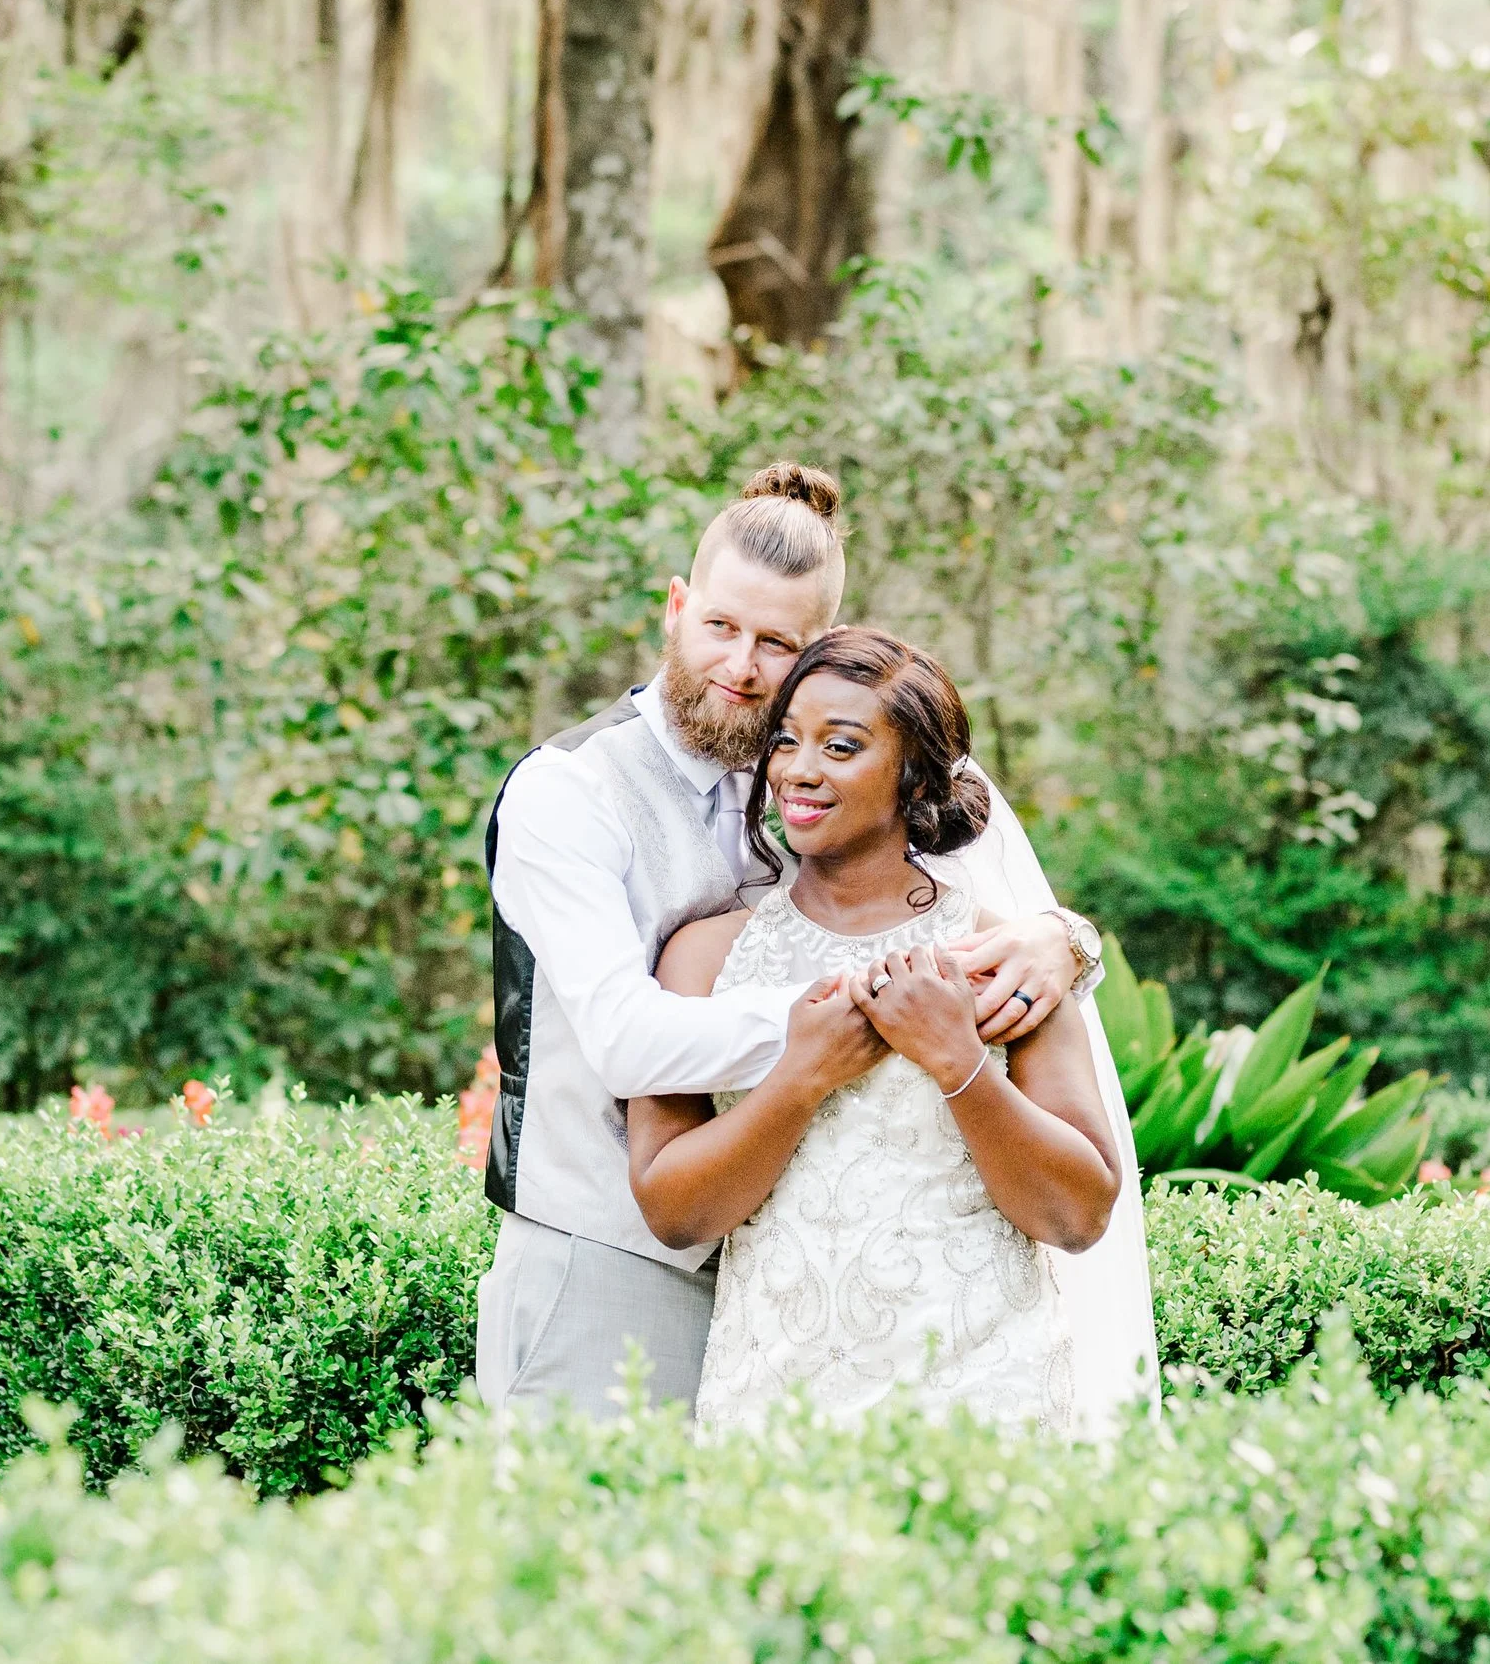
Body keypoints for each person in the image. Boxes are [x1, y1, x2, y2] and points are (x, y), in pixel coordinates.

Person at [474, 460, 1157, 1430]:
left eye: (774, 642)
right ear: (675, 606)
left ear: (819, 644)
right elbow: (628, 1040)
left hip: (811, 1292)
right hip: (608, 1249)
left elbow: (979, 869)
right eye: (718, 626)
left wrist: (1059, 941)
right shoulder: (570, 790)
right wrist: (872, 1011)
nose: (740, 666)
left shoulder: (823, 747)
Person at [629, 628, 1116, 1430]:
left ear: (913, 774)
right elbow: (674, 1212)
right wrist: (798, 1078)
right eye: (786, 740)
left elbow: (1079, 1214)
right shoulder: (704, 956)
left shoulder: (1005, 960)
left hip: (979, 1404)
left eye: (842, 745)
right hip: (773, 1409)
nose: (800, 769)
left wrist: (961, 1062)